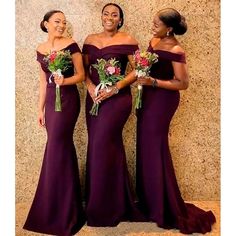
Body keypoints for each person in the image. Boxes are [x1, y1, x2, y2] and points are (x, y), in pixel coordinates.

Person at [136, 8, 216, 234]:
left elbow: (182, 83)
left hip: (162, 100)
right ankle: (150, 201)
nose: (152, 27)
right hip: (147, 98)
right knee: (146, 148)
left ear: (169, 28)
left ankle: (163, 205)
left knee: (155, 147)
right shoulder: (155, 40)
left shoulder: (176, 49)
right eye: (153, 22)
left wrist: (152, 82)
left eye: (156, 24)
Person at [82, 3, 145, 226]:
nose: (109, 17)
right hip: (95, 98)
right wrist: (90, 86)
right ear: (101, 17)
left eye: (114, 15)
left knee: (103, 143)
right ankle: (109, 201)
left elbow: (139, 69)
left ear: (120, 19)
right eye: (106, 13)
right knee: (101, 146)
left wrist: (115, 88)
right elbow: (84, 70)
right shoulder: (89, 39)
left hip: (117, 99)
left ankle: (107, 207)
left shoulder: (128, 40)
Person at [23, 10, 86, 235]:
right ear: (45, 23)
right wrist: (39, 108)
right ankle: (58, 205)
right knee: (57, 146)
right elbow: (42, 81)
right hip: (51, 100)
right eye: (57, 21)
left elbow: (81, 75)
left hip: (67, 99)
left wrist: (64, 80)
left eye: (64, 22)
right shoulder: (39, 49)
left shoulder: (71, 45)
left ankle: (64, 211)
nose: (61, 25)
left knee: (57, 145)